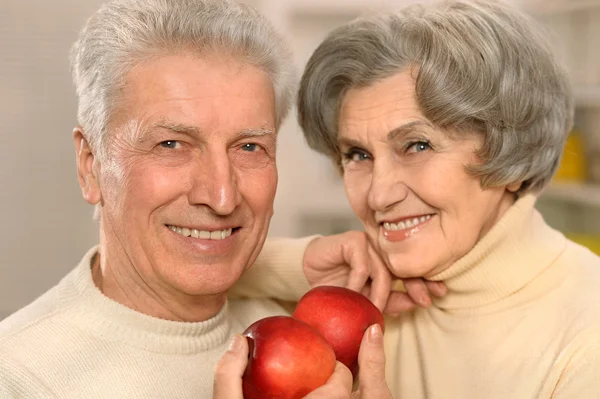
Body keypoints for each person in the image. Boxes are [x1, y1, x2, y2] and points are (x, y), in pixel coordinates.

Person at [0, 0, 442, 397]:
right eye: (171, 145)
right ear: (90, 166)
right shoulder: (20, 376)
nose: (222, 195)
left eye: (249, 147)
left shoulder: (312, 332)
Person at [218, 0, 600, 397]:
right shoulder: (368, 296)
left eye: (417, 146)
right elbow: (178, 276)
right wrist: (300, 264)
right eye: (358, 155)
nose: (380, 194)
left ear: (511, 151)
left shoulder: (587, 340)